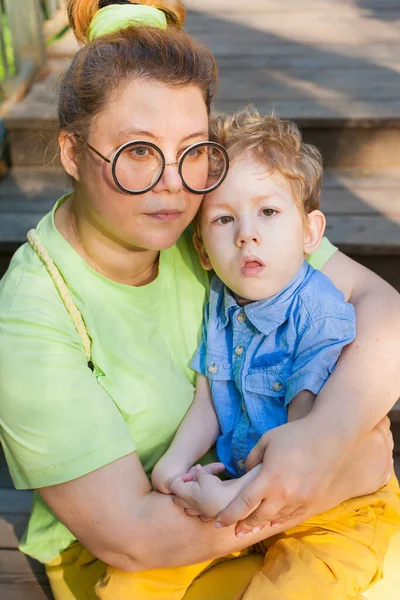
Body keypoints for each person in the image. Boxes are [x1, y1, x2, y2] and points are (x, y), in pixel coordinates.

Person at [0, 2, 399, 600]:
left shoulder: (212, 221)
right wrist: (334, 481)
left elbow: (380, 303)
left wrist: (324, 441)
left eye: (191, 149)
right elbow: (131, 537)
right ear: (71, 152)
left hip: (259, 496)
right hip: (141, 547)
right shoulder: (30, 315)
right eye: (138, 150)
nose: (170, 182)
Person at [140, 108, 399, 600]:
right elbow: (207, 402)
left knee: (290, 590)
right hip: (244, 489)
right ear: (202, 249)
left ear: (310, 233)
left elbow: (302, 442)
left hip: (333, 506)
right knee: (131, 582)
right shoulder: (219, 304)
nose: (247, 233)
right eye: (223, 219)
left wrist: (228, 498)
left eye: (269, 212)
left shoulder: (318, 308)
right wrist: (170, 467)